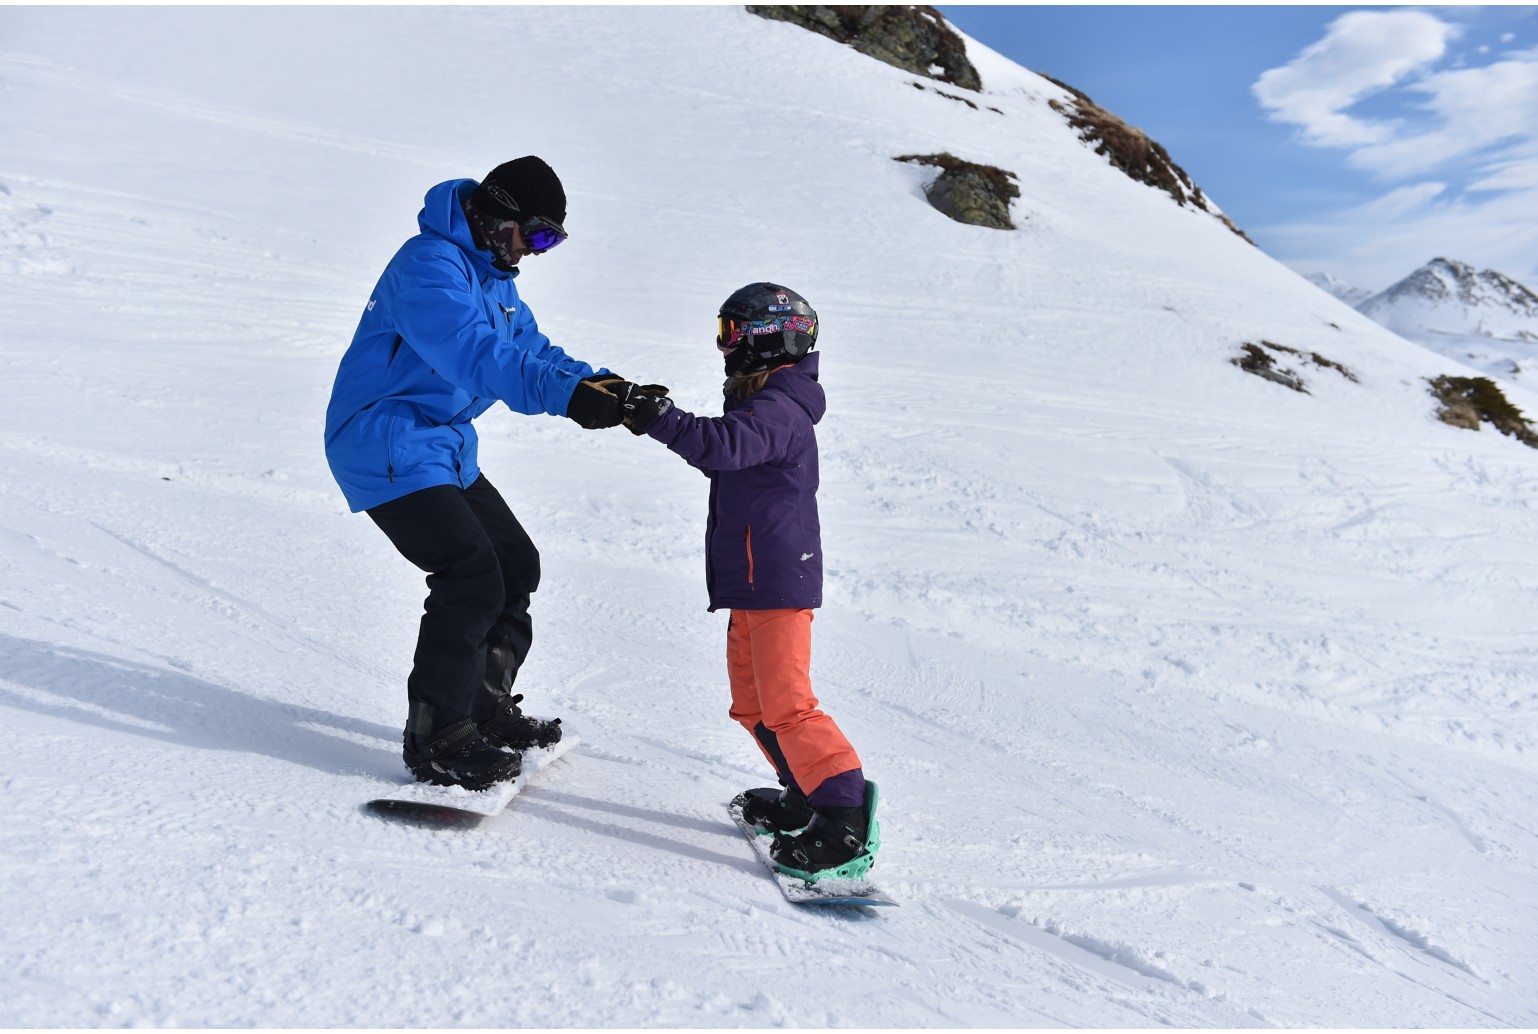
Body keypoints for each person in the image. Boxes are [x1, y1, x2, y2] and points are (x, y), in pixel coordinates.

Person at [324, 157, 655, 791]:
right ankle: (437, 738)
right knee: (469, 573)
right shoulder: (429, 266)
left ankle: (482, 705)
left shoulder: (494, 279)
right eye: (537, 235)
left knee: (514, 565)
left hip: (440, 447)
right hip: (383, 441)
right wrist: (566, 398)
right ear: (498, 215)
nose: (536, 252)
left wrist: (602, 385)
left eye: (551, 242)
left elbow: (530, 349)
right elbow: (477, 355)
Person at [613, 283, 881, 882]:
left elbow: (723, 447)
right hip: (752, 583)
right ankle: (805, 792)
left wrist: (658, 418)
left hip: (778, 582)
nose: (724, 346)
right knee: (754, 705)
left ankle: (844, 818)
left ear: (768, 339)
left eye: (731, 333)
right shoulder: (766, 401)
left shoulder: (781, 406)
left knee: (789, 705)